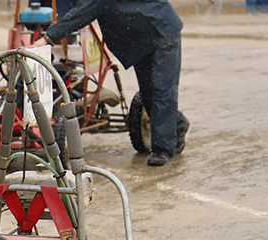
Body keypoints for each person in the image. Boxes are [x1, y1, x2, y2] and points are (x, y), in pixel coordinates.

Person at [32, 0, 189, 166]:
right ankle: (178, 124)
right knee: (148, 93)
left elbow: (83, 11)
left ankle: (163, 150)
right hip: (140, 40)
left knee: (162, 91)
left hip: (162, 31)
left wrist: (47, 38)